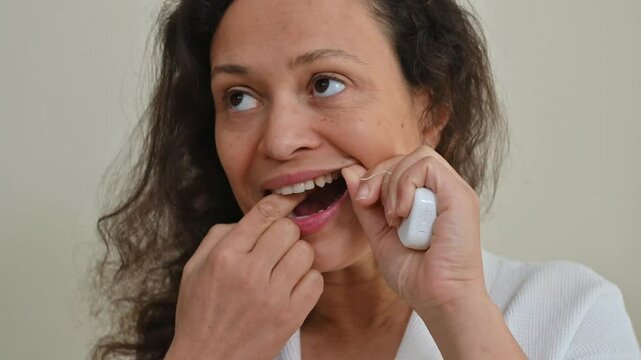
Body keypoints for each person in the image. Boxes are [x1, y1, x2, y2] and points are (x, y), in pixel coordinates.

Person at [91, 0, 640, 359]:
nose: (279, 141)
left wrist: (455, 307)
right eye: (239, 97)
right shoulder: (195, 331)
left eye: (325, 83)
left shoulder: (569, 314)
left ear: (433, 111)